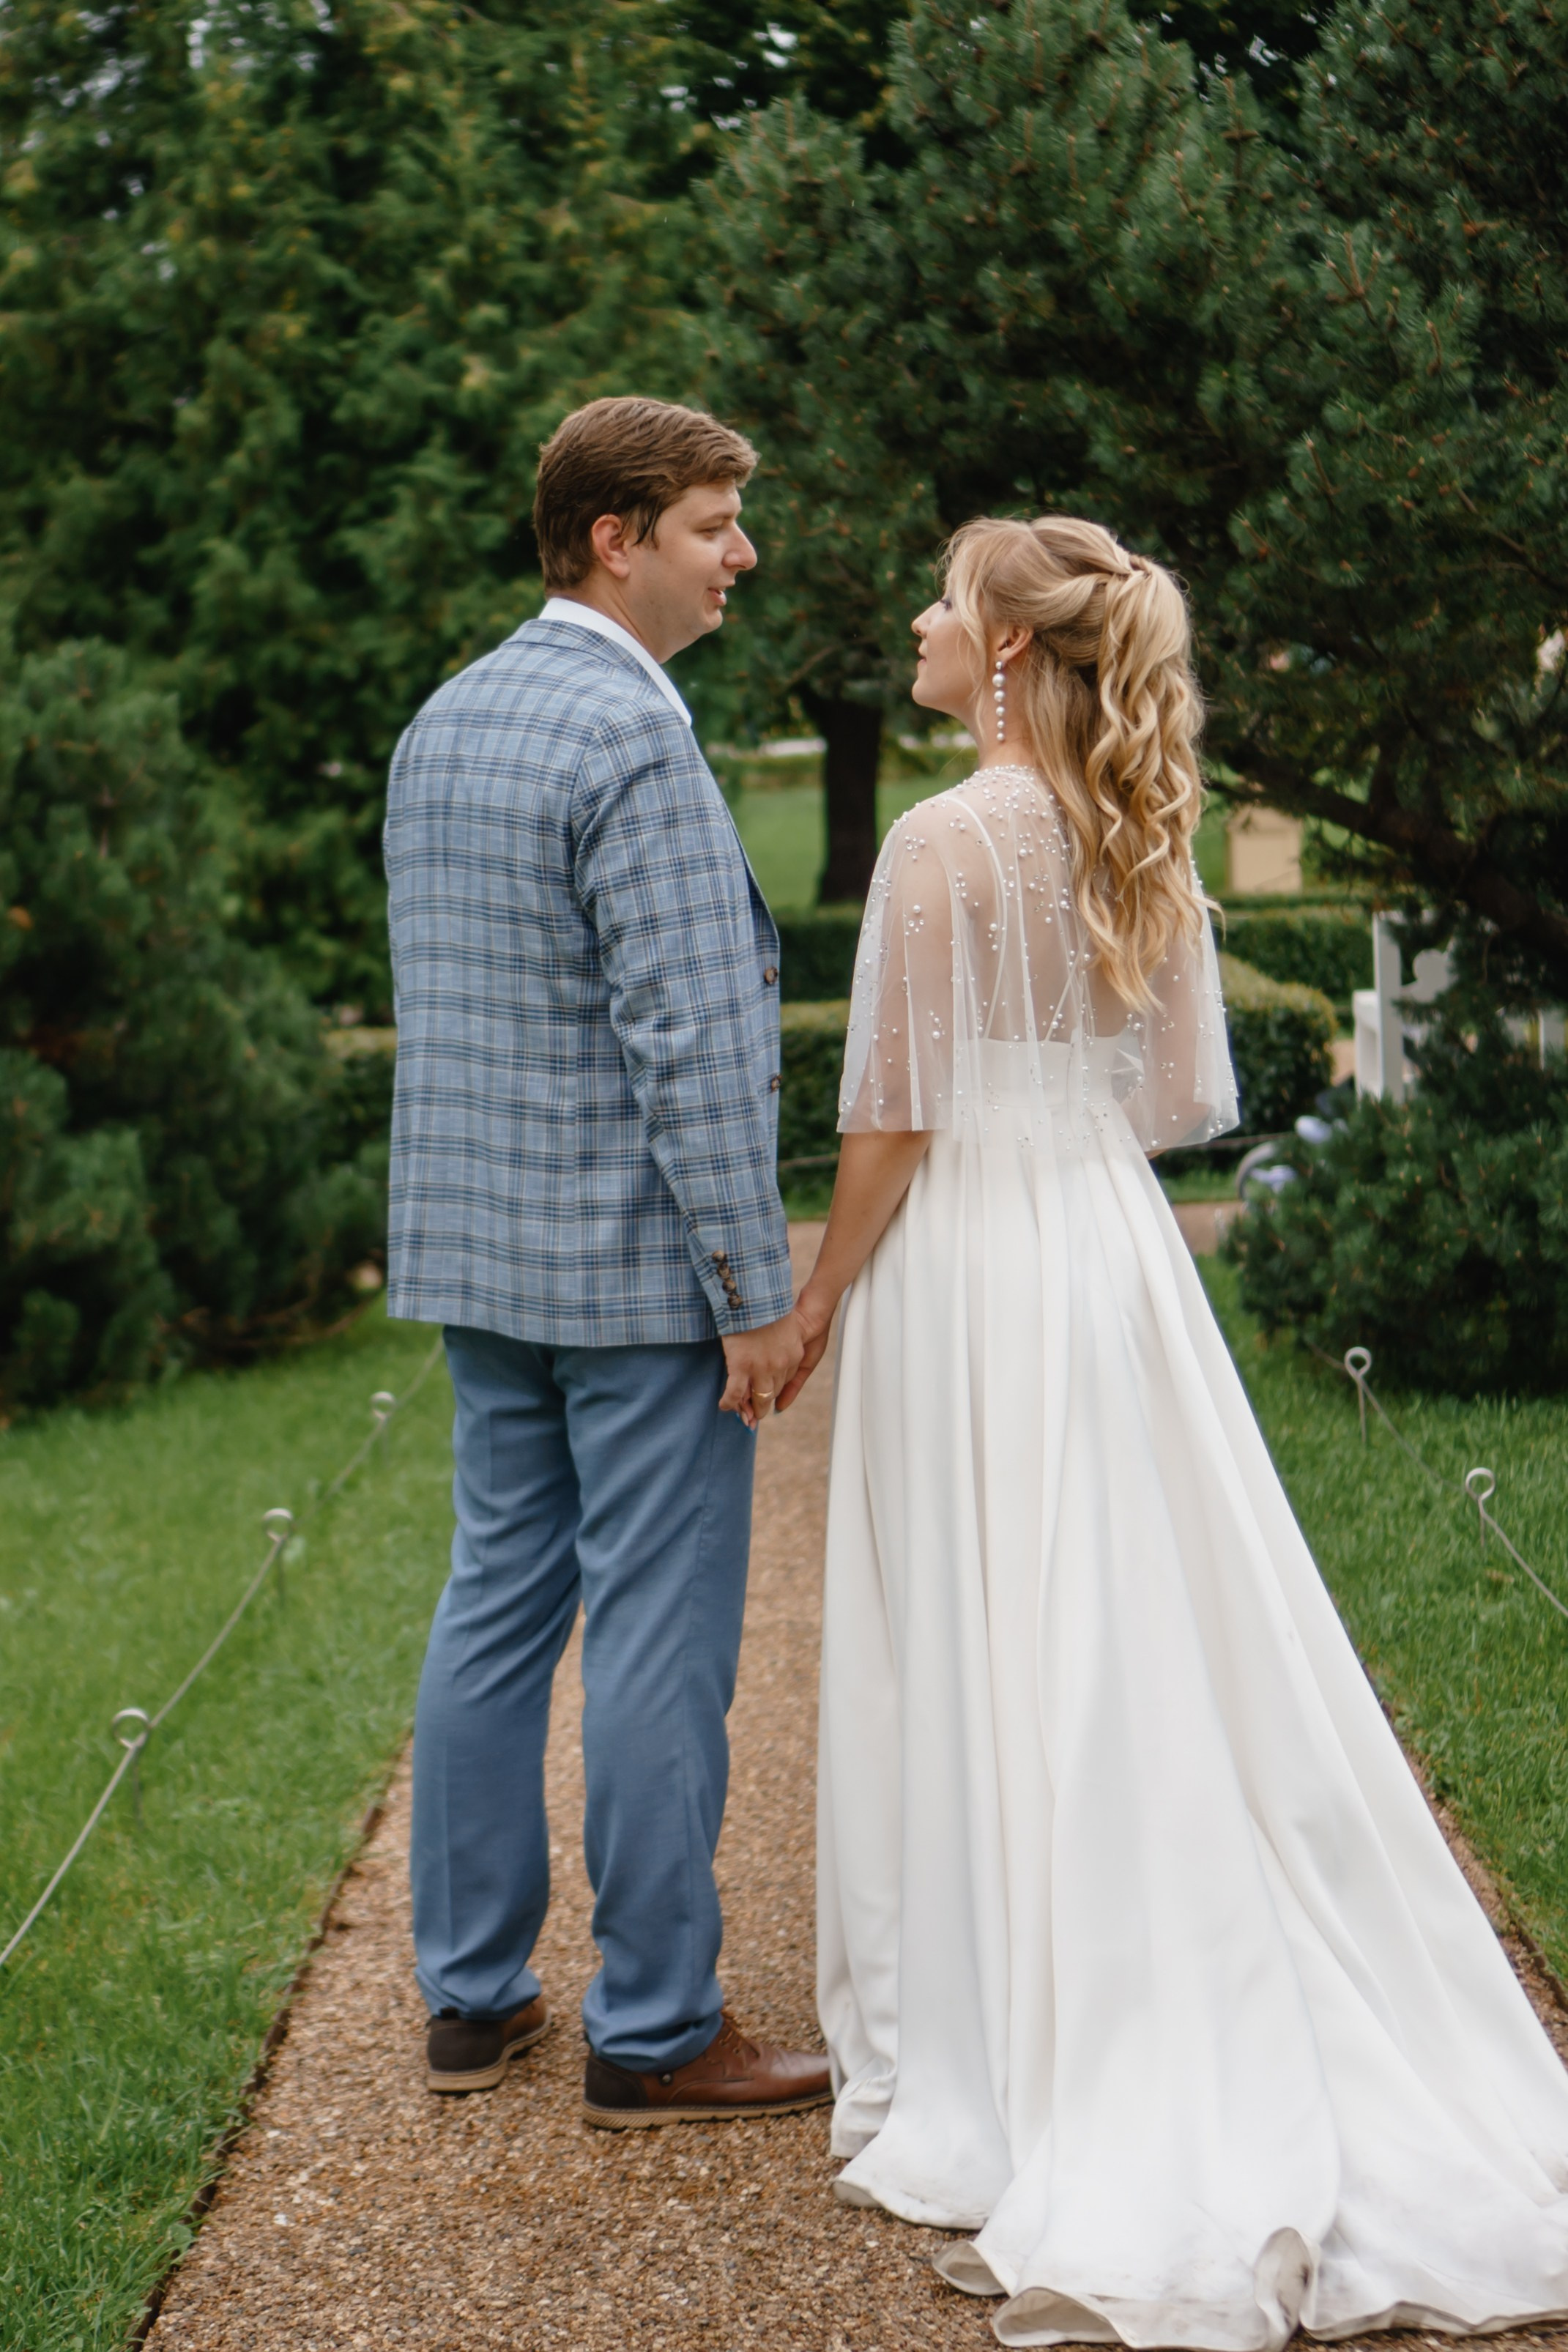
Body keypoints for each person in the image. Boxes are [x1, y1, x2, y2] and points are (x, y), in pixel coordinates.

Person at [782, 516, 1568, 2343]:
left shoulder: (941, 840)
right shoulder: (1138, 831)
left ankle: (1013, 2028)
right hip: (1106, 1251)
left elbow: (890, 1117)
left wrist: (821, 1294)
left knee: (992, 1610)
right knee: (1132, 1609)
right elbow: (1178, 1098)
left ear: (1001, 649)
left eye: (943, 599)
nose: (915, 617)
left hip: (976, 1247)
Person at [383, 396, 829, 2128]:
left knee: (494, 1602)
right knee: (655, 1636)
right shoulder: (635, 743)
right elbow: (691, 1045)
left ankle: (469, 1999)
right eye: (717, 524)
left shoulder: (447, 716)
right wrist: (755, 1290)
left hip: (481, 1265)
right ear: (612, 539)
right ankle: (654, 2027)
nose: (745, 554)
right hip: (638, 1284)